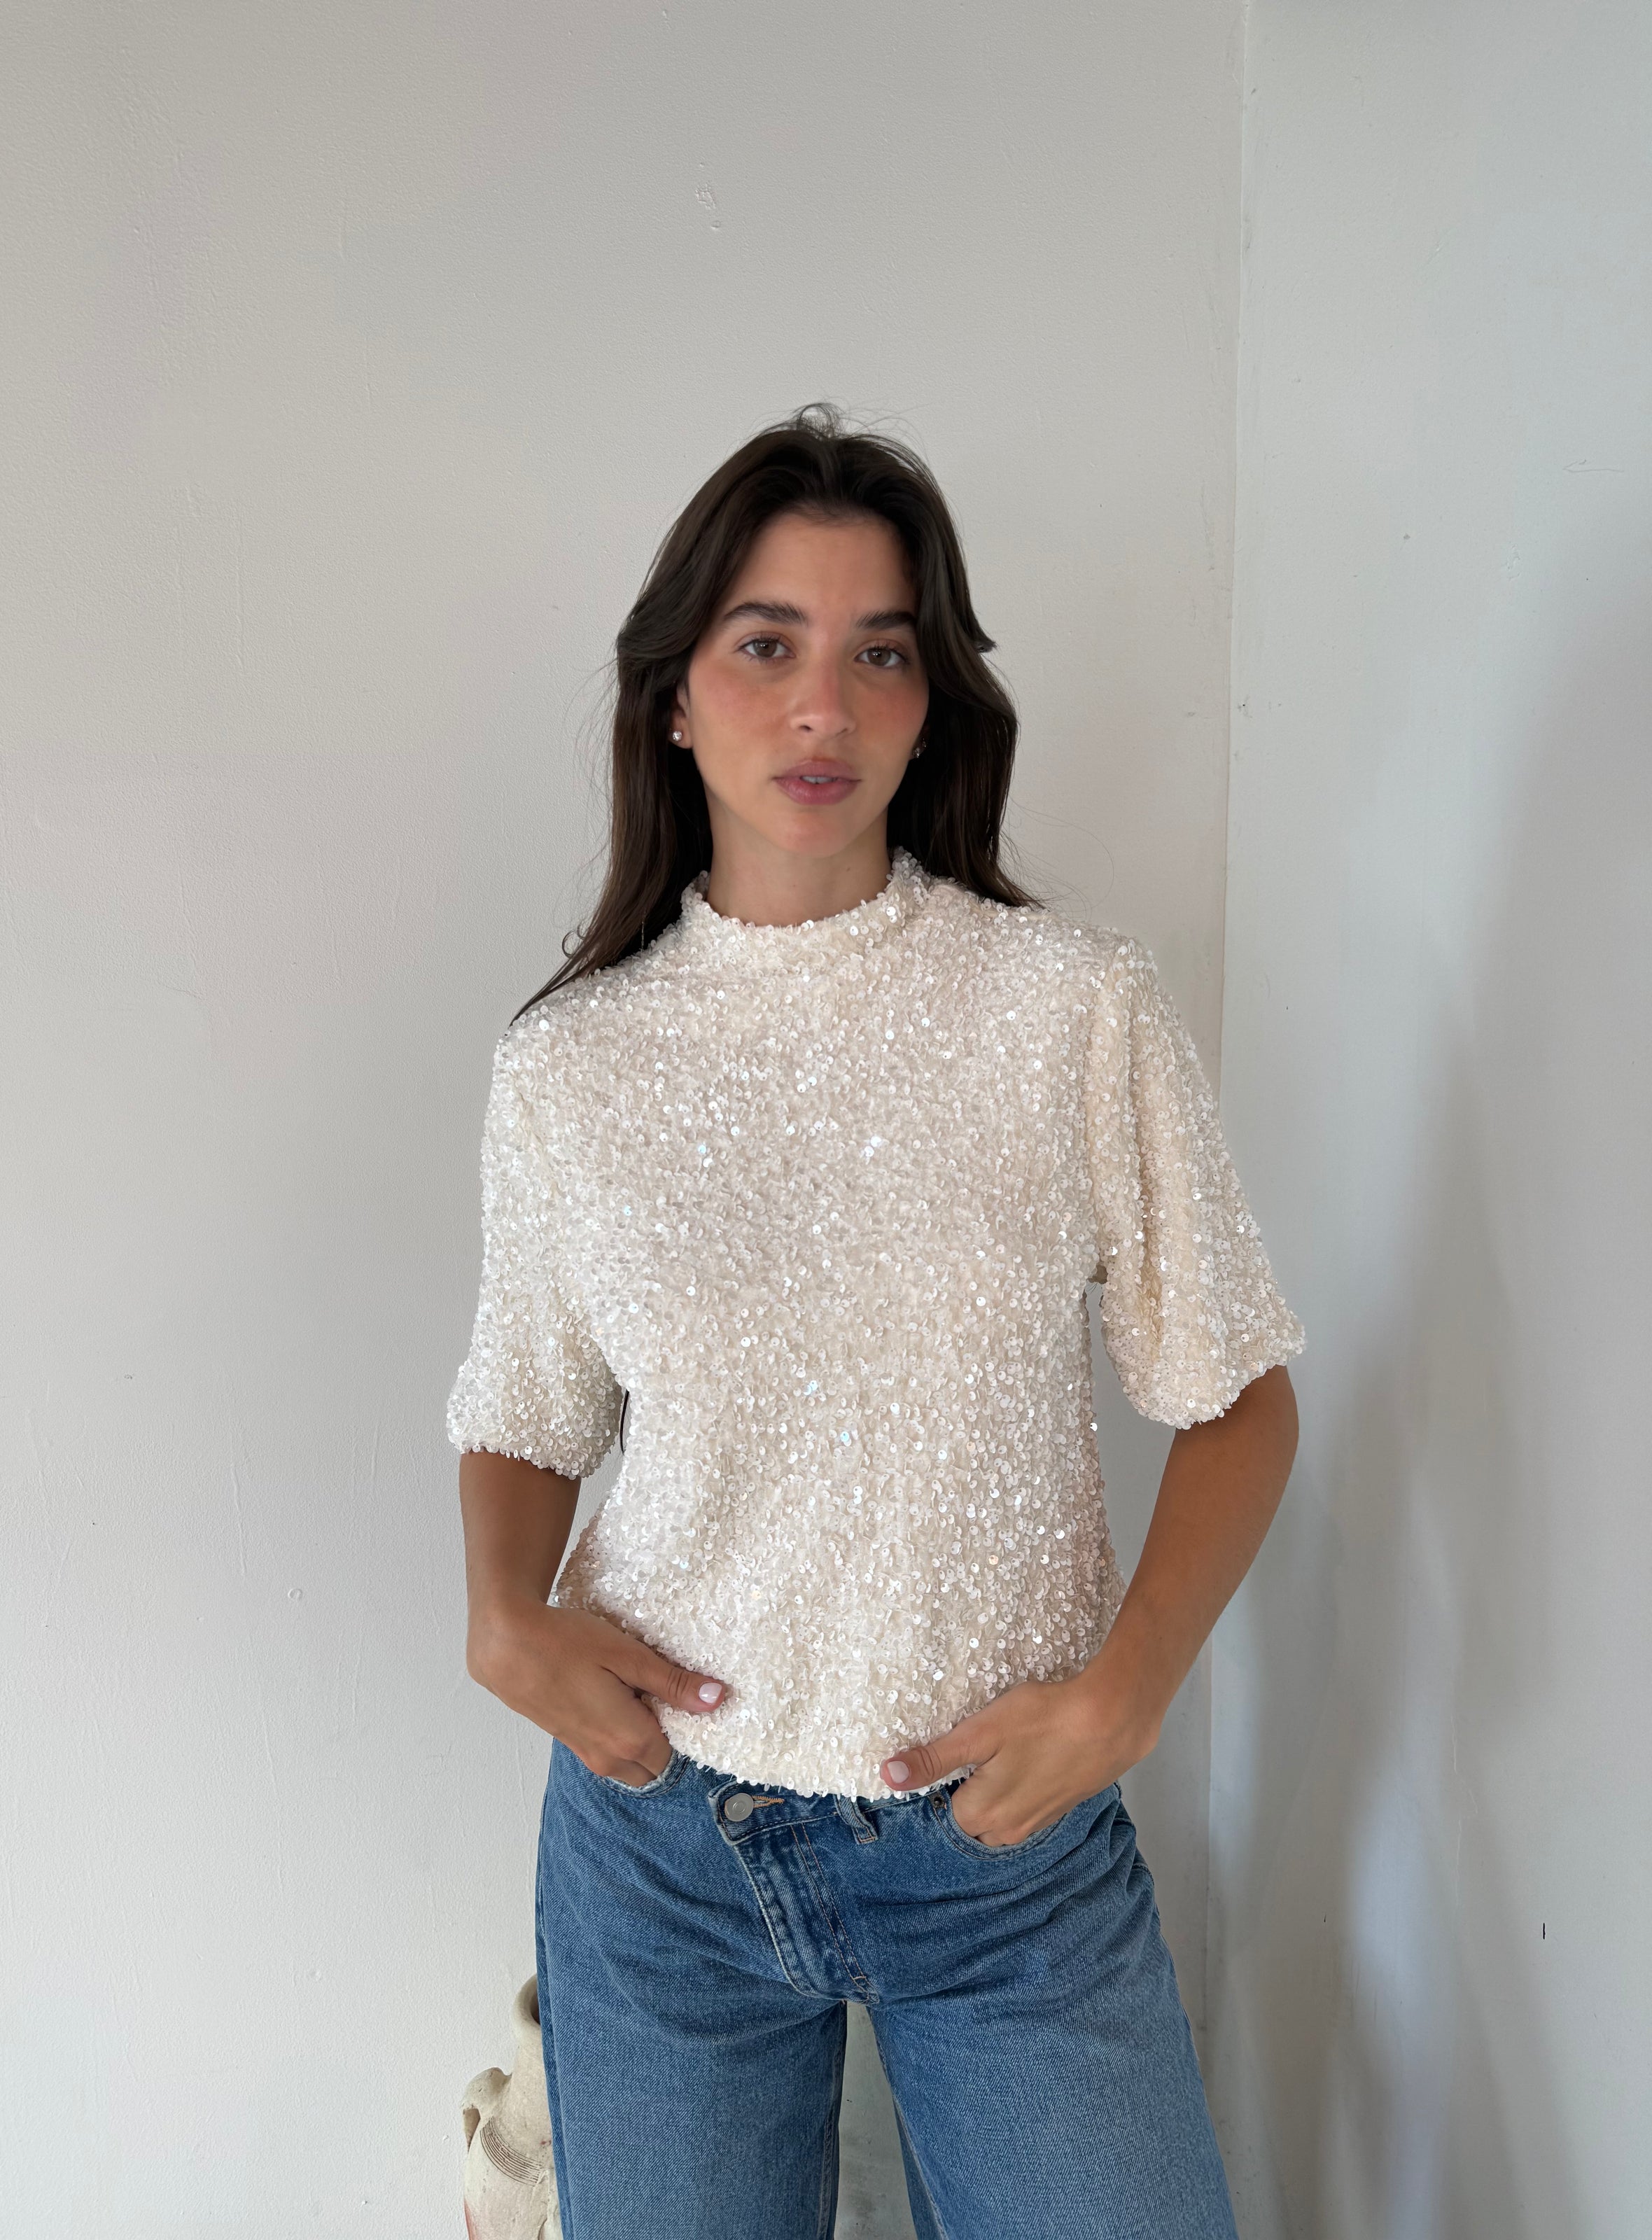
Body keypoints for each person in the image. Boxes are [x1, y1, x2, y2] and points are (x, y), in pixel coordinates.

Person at [448, 405, 1303, 2240]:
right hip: (663, 1853)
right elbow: (526, 1408)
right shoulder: (573, 1066)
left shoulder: (1069, 1008)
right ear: (676, 699)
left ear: (934, 705)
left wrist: (1131, 1685)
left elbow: (1237, 1396)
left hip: (1010, 1862)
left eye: (881, 653)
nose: (822, 707)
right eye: (766, 646)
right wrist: (503, 1614)